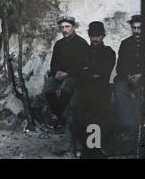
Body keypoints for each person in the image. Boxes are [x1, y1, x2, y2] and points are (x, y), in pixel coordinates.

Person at [70, 21, 116, 158]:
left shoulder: (109, 52)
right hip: (83, 91)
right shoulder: (83, 51)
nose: (95, 39)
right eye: (92, 36)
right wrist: (91, 73)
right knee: (77, 119)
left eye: (98, 36)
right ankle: (89, 148)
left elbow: (104, 71)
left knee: (96, 118)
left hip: (101, 92)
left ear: (104, 36)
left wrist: (88, 71)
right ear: (89, 36)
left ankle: (91, 150)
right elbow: (78, 71)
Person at [44, 15, 89, 130]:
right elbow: (53, 62)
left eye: (67, 26)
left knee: (66, 89)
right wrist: (56, 72)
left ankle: (57, 116)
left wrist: (67, 74)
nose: (64, 30)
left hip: (74, 75)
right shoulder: (59, 44)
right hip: (59, 74)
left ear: (73, 27)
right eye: (62, 27)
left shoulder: (81, 43)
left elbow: (83, 66)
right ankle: (60, 116)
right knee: (48, 89)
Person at [114, 14, 144, 151]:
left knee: (138, 95)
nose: (137, 32)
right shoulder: (125, 44)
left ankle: (137, 133)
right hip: (127, 78)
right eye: (134, 28)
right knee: (120, 91)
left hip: (142, 79)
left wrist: (141, 75)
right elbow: (120, 66)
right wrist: (128, 76)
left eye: (140, 28)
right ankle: (130, 129)